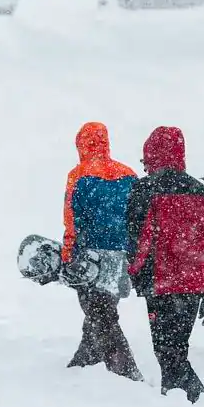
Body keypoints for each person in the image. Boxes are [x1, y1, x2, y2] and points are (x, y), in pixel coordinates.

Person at [126, 126, 204, 403]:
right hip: (194, 282)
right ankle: (179, 402)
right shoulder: (202, 192)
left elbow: (138, 239)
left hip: (161, 282)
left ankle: (193, 401)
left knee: (167, 351)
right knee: (177, 347)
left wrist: (134, 272)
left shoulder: (144, 189)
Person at [62, 121, 142, 381]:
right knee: (101, 308)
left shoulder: (79, 175)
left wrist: (67, 255)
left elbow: (72, 220)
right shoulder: (129, 174)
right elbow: (138, 217)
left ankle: (126, 371)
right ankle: (86, 358)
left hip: (92, 255)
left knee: (101, 313)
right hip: (121, 255)